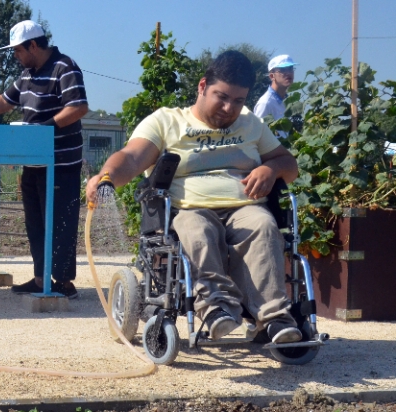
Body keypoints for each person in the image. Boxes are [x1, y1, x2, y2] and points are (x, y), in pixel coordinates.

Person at [86, 51, 303, 345]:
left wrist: (270, 167)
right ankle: (216, 308)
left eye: (238, 101)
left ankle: (274, 319)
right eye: (221, 97)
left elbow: (288, 164)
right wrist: (107, 176)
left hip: (245, 206)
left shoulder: (250, 123)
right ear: (202, 86)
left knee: (264, 227)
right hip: (190, 208)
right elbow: (132, 157)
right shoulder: (167, 122)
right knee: (196, 230)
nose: (229, 108)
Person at [0, 20, 88, 299]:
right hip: (33, 161)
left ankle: (62, 282)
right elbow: (3, 101)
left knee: (60, 222)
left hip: (60, 164)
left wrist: (48, 126)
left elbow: (79, 107)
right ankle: (40, 278)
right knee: (35, 222)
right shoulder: (26, 75)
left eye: (18, 50)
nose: (15, 55)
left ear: (33, 45)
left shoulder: (65, 67)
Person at [253, 54, 298, 121]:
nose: (288, 73)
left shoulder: (287, 101)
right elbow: (257, 130)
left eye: (290, 69)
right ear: (272, 76)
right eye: (282, 70)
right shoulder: (265, 104)